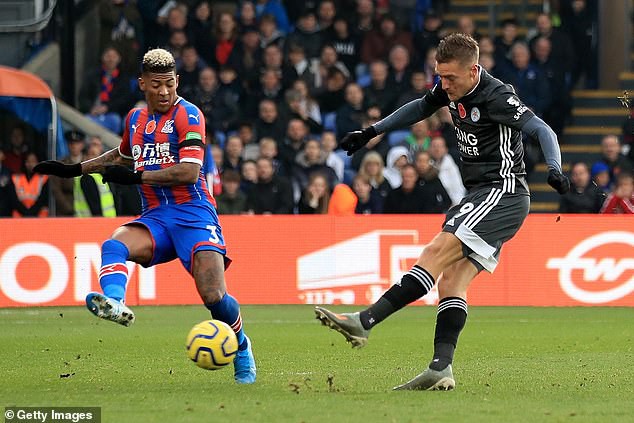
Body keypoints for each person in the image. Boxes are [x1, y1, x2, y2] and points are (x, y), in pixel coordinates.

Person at [314, 33, 569, 391]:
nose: (443, 84)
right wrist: (371, 132)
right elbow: (419, 106)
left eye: (450, 78)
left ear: (474, 70)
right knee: (451, 281)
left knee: (434, 252)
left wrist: (554, 168)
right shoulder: (450, 89)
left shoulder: (496, 96)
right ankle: (440, 368)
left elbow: (542, 129)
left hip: (503, 192)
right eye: (439, 75)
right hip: (482, 194)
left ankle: (364, 321)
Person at [33, 48, 256, 384]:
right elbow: (123, 156)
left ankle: (241, 346)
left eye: (169, 84)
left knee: (213, 296)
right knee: (115, 244)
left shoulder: (189, 115)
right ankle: (116, 302)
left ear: (177, 81)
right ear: (143, 84)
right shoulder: (135, 120)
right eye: (157, 85)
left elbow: (189, 173)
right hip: (156, 216)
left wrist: (137, 177)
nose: (165, 92)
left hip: (194, 214)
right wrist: (76, 169)